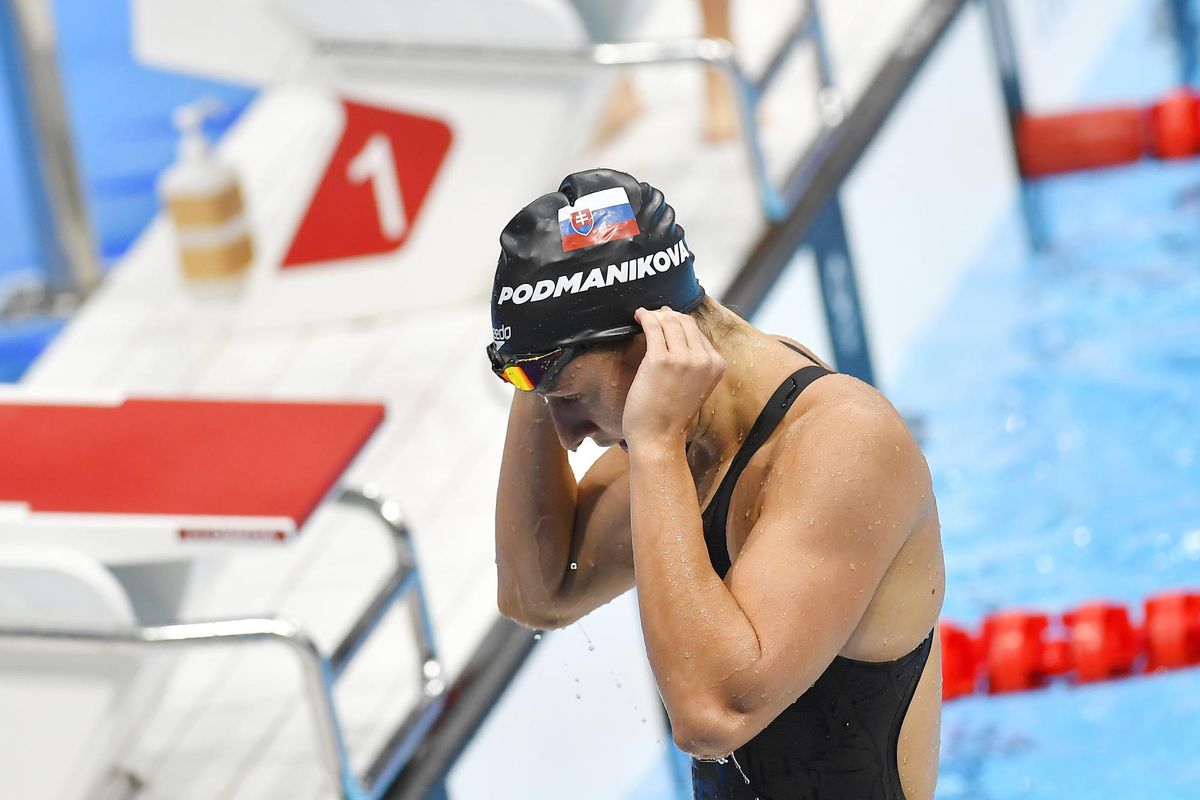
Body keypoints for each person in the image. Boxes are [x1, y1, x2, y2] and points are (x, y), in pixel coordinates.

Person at [490, 167, 945, 799]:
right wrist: (536, 358)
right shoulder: (690, 440)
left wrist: (650, 444)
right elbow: (537, 591)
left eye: (572, 400)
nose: (567, 435)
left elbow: (712, 716)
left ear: (655, 349)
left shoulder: (843, 444)